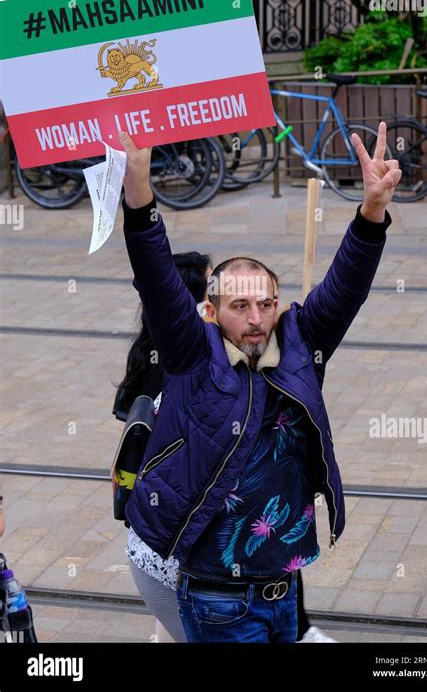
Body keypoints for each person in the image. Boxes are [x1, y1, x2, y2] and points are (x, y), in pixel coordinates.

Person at [120, 123, 399, 643]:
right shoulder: (191, 352)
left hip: (285, 586)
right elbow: (155, 276)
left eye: (265, 304)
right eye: (239, 305)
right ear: (211, 310)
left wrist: (372, 211)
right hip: (218, 598)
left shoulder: (300, 343)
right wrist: (139, 196)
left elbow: (346, 286)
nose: (255, 319)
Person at [113, 252, 212, 643]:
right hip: (167, 536)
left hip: (154, 533)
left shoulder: (157, 345)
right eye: (213, 287)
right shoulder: (181, 364)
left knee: (169, 622)